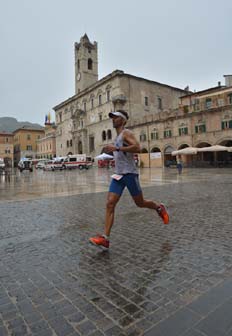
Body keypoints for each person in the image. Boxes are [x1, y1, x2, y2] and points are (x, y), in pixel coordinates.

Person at [89, 110, 169, 249]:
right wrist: (113, 149)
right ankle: (105, 238)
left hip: (130, 174)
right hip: (118, 175)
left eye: (116, 117)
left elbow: (138, 147)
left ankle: (158, 207)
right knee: (110, 204)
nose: (113, 119)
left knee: (140, 202)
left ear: (123, 120)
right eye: (112, 117)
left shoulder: (127, 133)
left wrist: (117, 148)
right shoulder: (117, 136)